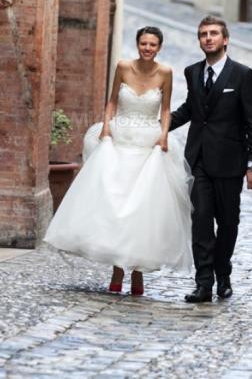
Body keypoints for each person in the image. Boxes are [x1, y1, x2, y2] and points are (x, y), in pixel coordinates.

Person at [44, 26, 193, 296]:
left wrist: (163, 135)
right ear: (137, 45)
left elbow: (167, 108)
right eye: (143, 43)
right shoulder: (123, 67)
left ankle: (137, 274)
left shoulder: (166, 72)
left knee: (142, 207)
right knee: (114, 202)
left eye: (152, 45)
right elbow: (112, 101)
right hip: (120, 138)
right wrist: (105, 127)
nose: (147, 48)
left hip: (148, 142)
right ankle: (116, 270)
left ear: (159, 48)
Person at [170, 16, 252, 303]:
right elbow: (190, 108)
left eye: (213, 34)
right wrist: (158, 125)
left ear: (225, 40)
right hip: (197, 160)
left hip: (229, 161)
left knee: (228, 223)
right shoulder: (192, 72)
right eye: (202, 34)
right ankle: (204, 282)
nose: (207, 38)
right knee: (200, 221)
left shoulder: (242, 75)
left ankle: (223, 272)